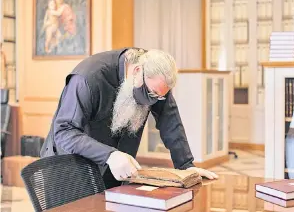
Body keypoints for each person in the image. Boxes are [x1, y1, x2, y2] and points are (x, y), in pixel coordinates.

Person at [40, 48, 218, 189]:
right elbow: (63, 131)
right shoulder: (88, 79)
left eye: (159, 96)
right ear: (137, 70)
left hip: (114, 170)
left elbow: (169, 118)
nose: (153, 101)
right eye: (151, 93)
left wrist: (186, 165)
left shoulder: (155, 82)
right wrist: (109, 155)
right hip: (69, 171)